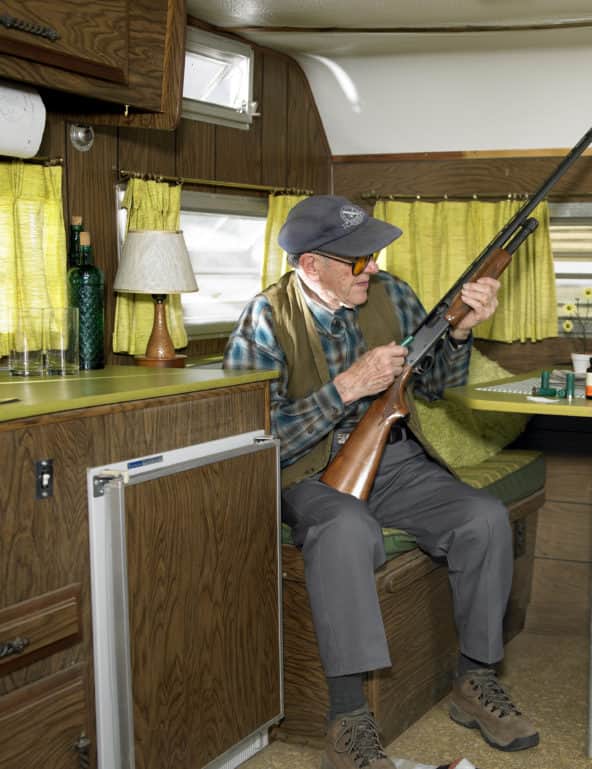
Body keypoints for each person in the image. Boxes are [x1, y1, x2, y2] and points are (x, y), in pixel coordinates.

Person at [224, 195, 539, 769]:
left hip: (395, 460)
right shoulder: (264, 320)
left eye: (372, 254)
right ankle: (348, 721)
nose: (371, 267)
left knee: (484, 519)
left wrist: (463, 331)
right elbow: (254, 437)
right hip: (312, 471)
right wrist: (344, 389)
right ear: (310, 264)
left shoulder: (392, 293)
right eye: (355, 260)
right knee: (345, 531)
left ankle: (475, 681)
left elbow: (441, 383)